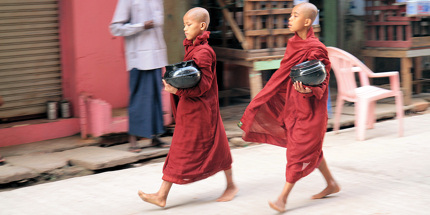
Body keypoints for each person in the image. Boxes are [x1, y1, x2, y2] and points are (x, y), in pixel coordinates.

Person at [238, 2, 340, 212]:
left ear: (307, 22)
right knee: (310, 150)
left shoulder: (316, 48)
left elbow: (322, 78)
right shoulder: (293, 43)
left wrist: (310, 91)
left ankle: (282, 198)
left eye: (294, 15)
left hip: (311, 110)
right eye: (290, 15)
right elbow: (286, 75)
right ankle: (331, 183)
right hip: (294, 106)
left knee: (297, 153)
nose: (289, 19)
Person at [137, 7, 238, 208]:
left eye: (188, 24)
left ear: (201, 26)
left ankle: (161, 195)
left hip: (200, 110)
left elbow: (204, 85)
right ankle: (231, 185)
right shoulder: (194, 48)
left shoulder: (204, 52)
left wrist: (177, 91)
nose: (184, 28)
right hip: (192, 108)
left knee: (180, 149)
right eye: (184, 24)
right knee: (217, 145)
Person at [110, 0, 169, 152]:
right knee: (139, 98)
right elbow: (115, 28)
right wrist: (141, 26)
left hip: (156, 55)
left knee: (155, 97)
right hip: (138, 57)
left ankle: (155, 137)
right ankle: (133, 141)